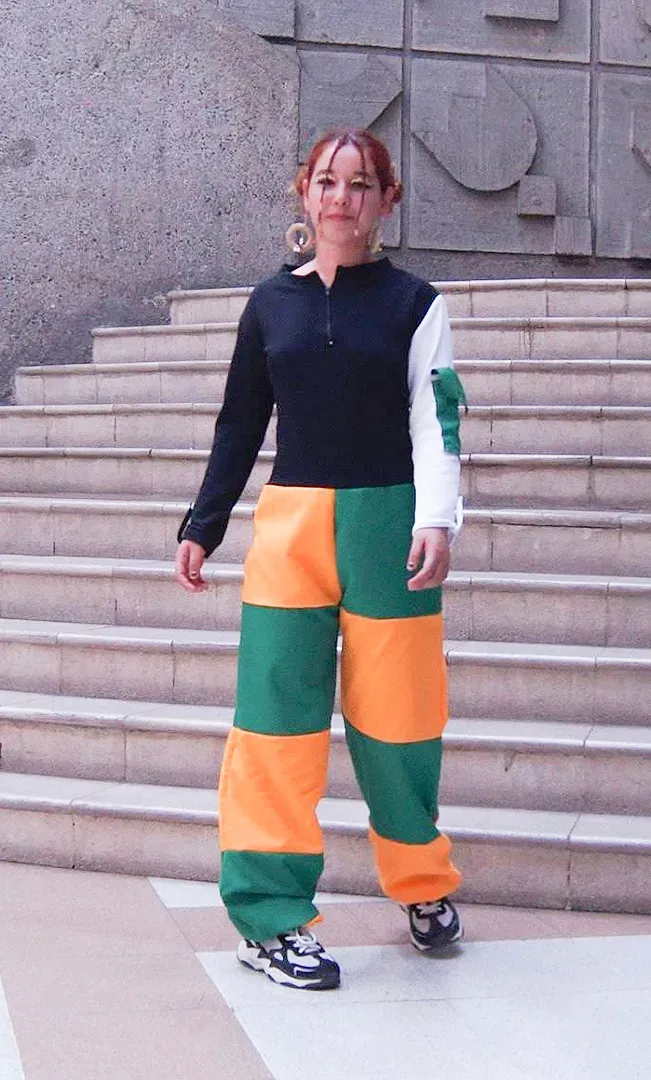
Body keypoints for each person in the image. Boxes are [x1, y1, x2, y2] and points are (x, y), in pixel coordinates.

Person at [175, 128, 466, 992]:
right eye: (328, 183)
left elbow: (436, 418)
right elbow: (240, 420)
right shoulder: (272, 304)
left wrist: (437, 518)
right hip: (290, 530)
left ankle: (420, 882)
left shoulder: (415, 304)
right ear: (304, 192)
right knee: (273, 727)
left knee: (400, 721)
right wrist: (203, 523)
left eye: (361, 184)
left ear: (386, 200)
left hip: (387, 527)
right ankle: (269, 920)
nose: (342, 199)